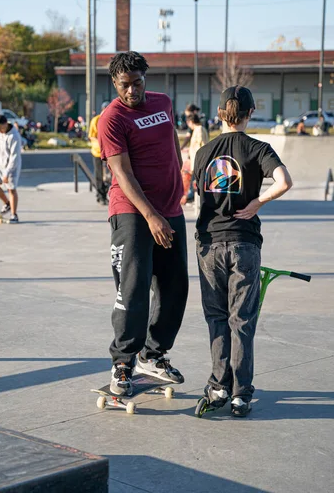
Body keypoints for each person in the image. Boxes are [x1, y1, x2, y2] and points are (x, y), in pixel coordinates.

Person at [194, 85, 292, 417]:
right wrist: (257, 202)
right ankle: (240, 394)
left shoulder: (203, 152)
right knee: (242, 319)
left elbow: (200, 198)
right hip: (244, 242)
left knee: (216, 317)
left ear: (220, 114)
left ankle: (218, 385)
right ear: (249, 113)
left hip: (208, 244)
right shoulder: (257, 148)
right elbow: (284, 181)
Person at [98, 51, 189, 396]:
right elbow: (121, 172)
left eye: (137, 83)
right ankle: (122, 363)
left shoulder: (163, 102)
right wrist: (151, 216)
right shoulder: (112, 118)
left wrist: (181, 184)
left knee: (174, 287)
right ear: (115, 83)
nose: (132, 90)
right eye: (125, 85)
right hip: (133, 211)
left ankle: (153, 355)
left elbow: (173, 145)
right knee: (133, 291)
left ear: (145, 79)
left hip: (170, 208)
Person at [0, 114, 22, 223]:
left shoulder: (14, 136)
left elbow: (14, 157)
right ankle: (7, 204)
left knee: (11, 189)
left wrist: (6, 173)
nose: (0, 131)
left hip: (12, 166)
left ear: (6, 124)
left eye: (1, 128)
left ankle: (14, 215)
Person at [88, 102, 110, 205]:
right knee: (99, 175)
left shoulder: (111, 118)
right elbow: (91, 136)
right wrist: (100, 142)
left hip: (109, 152)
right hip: (97, 151)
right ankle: (101, 196)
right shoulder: (96, 120)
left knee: (109, 175)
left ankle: (106, 193)